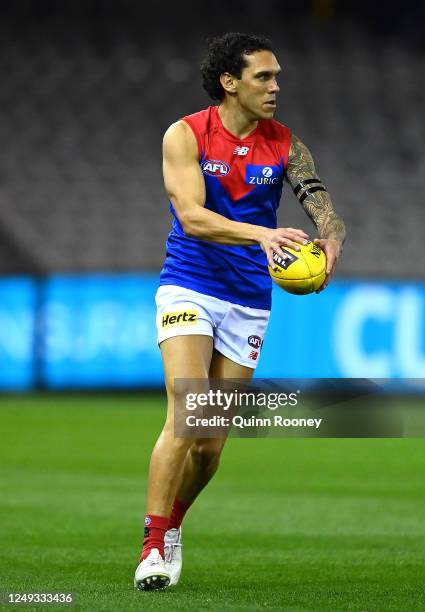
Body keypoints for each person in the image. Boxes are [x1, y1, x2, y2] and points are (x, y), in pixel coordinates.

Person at [134, 32, 346, 590]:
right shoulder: (185, 135)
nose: (276, 88)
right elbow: (193, 216)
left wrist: (332, 236)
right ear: (230, 82)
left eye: (277, 77)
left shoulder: (285, 144)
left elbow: (318, 198)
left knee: (208, 447)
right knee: (187, 412)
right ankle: (152, 546)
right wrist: (263, 234)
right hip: (189, 285)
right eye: (263, 77)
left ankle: (174, 524)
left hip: (249, 300)